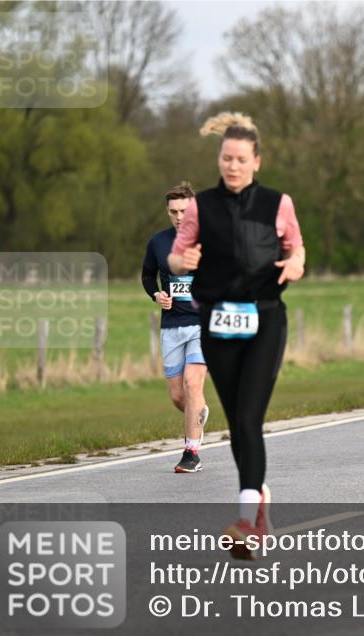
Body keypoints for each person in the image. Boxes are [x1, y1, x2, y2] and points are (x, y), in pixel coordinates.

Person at [169, 112, 305, 559]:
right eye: (226, 158)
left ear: (256, 161)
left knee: (248, 419)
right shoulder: (200, 207)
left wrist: (296, 264)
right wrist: (181, 264)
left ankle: (247, 520)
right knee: (237, 424)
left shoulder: (277, 204)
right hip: (216, 322)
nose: (232, 166)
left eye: (241, 159)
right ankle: (259, 499)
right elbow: (175, 257)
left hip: (265, 319)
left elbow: (296, 247)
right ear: (219, 159)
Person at [142, 182, 210, 473]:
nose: (179, 217)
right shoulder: (158, 242)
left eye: (184, 211)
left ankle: (191, 452)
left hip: (203, 325)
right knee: (179, 397)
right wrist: (156, 294)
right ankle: (199, 412)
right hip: (171, 327)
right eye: (173, 212)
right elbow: (148, 276)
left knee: (192, 385)